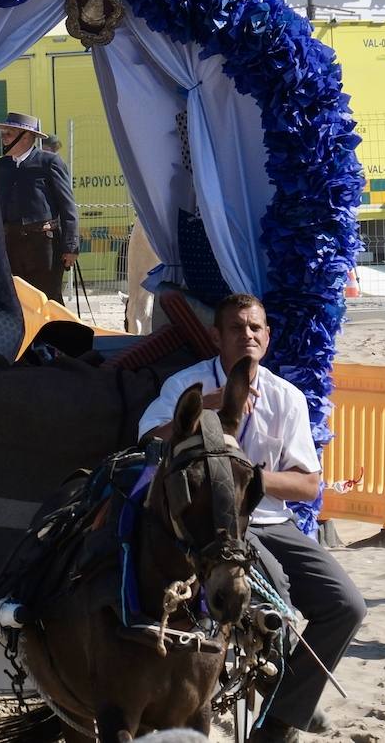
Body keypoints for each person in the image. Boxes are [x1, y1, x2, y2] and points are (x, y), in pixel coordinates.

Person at [138, 293, 366, 743]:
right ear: (216, 336)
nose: (248, 335)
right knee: (274, 593)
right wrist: (210, 405)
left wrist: (250, 478)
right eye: (238, 328)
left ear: (267, 337)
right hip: (210, 525)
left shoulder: (287, 397)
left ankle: (281, 714)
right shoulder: (189, 384)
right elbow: (147, 442)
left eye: (256, 328)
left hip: (270, 521)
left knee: (347, 606)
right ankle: (274, 684)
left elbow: (307, 483)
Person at [0, 112, 78, 305]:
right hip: (10, 244)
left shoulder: (49, 162)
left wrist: (70, 246)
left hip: (44, 245)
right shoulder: (0, 167)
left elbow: (67, 206)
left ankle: (56, 336)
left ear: (27, 136)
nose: (3, 137)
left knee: (48, 299)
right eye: (4, 132)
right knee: (18, 301)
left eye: (9, 133)